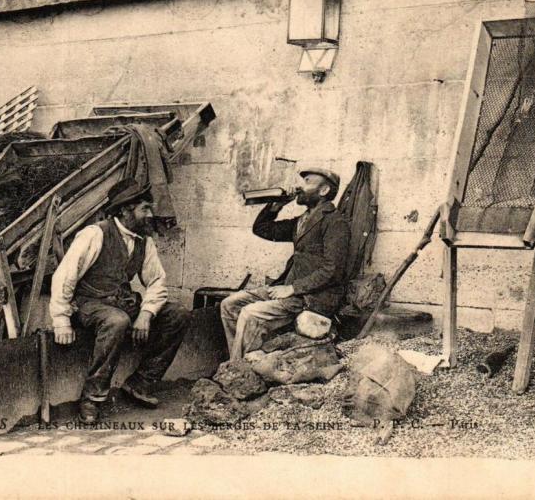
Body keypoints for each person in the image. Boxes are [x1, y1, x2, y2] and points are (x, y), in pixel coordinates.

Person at [49, 178, 190, 424]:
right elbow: (65, 275)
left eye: (150, 208)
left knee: (178, 313)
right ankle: (92, 398)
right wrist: (61, 319)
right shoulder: (95, 234)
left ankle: (141, 382)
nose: (150, 214)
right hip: (89, 304)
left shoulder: (144, 241)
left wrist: (146, 314)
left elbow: (156, 281)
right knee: (117, 320)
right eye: (144, 208)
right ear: (125, 210)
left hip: (122, 304)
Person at [220, 167, 350, 360]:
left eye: (307, 181)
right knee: (230, 304)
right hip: (291, 291)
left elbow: (333, 271)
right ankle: (240, 362)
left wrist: (293, 288)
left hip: (312, 298)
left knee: (250, 314)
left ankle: (238, 369)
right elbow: (263, 229)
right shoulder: (303, 220)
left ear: (323, 191)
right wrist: (276, 206)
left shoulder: (334, 222)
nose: (299, 185)